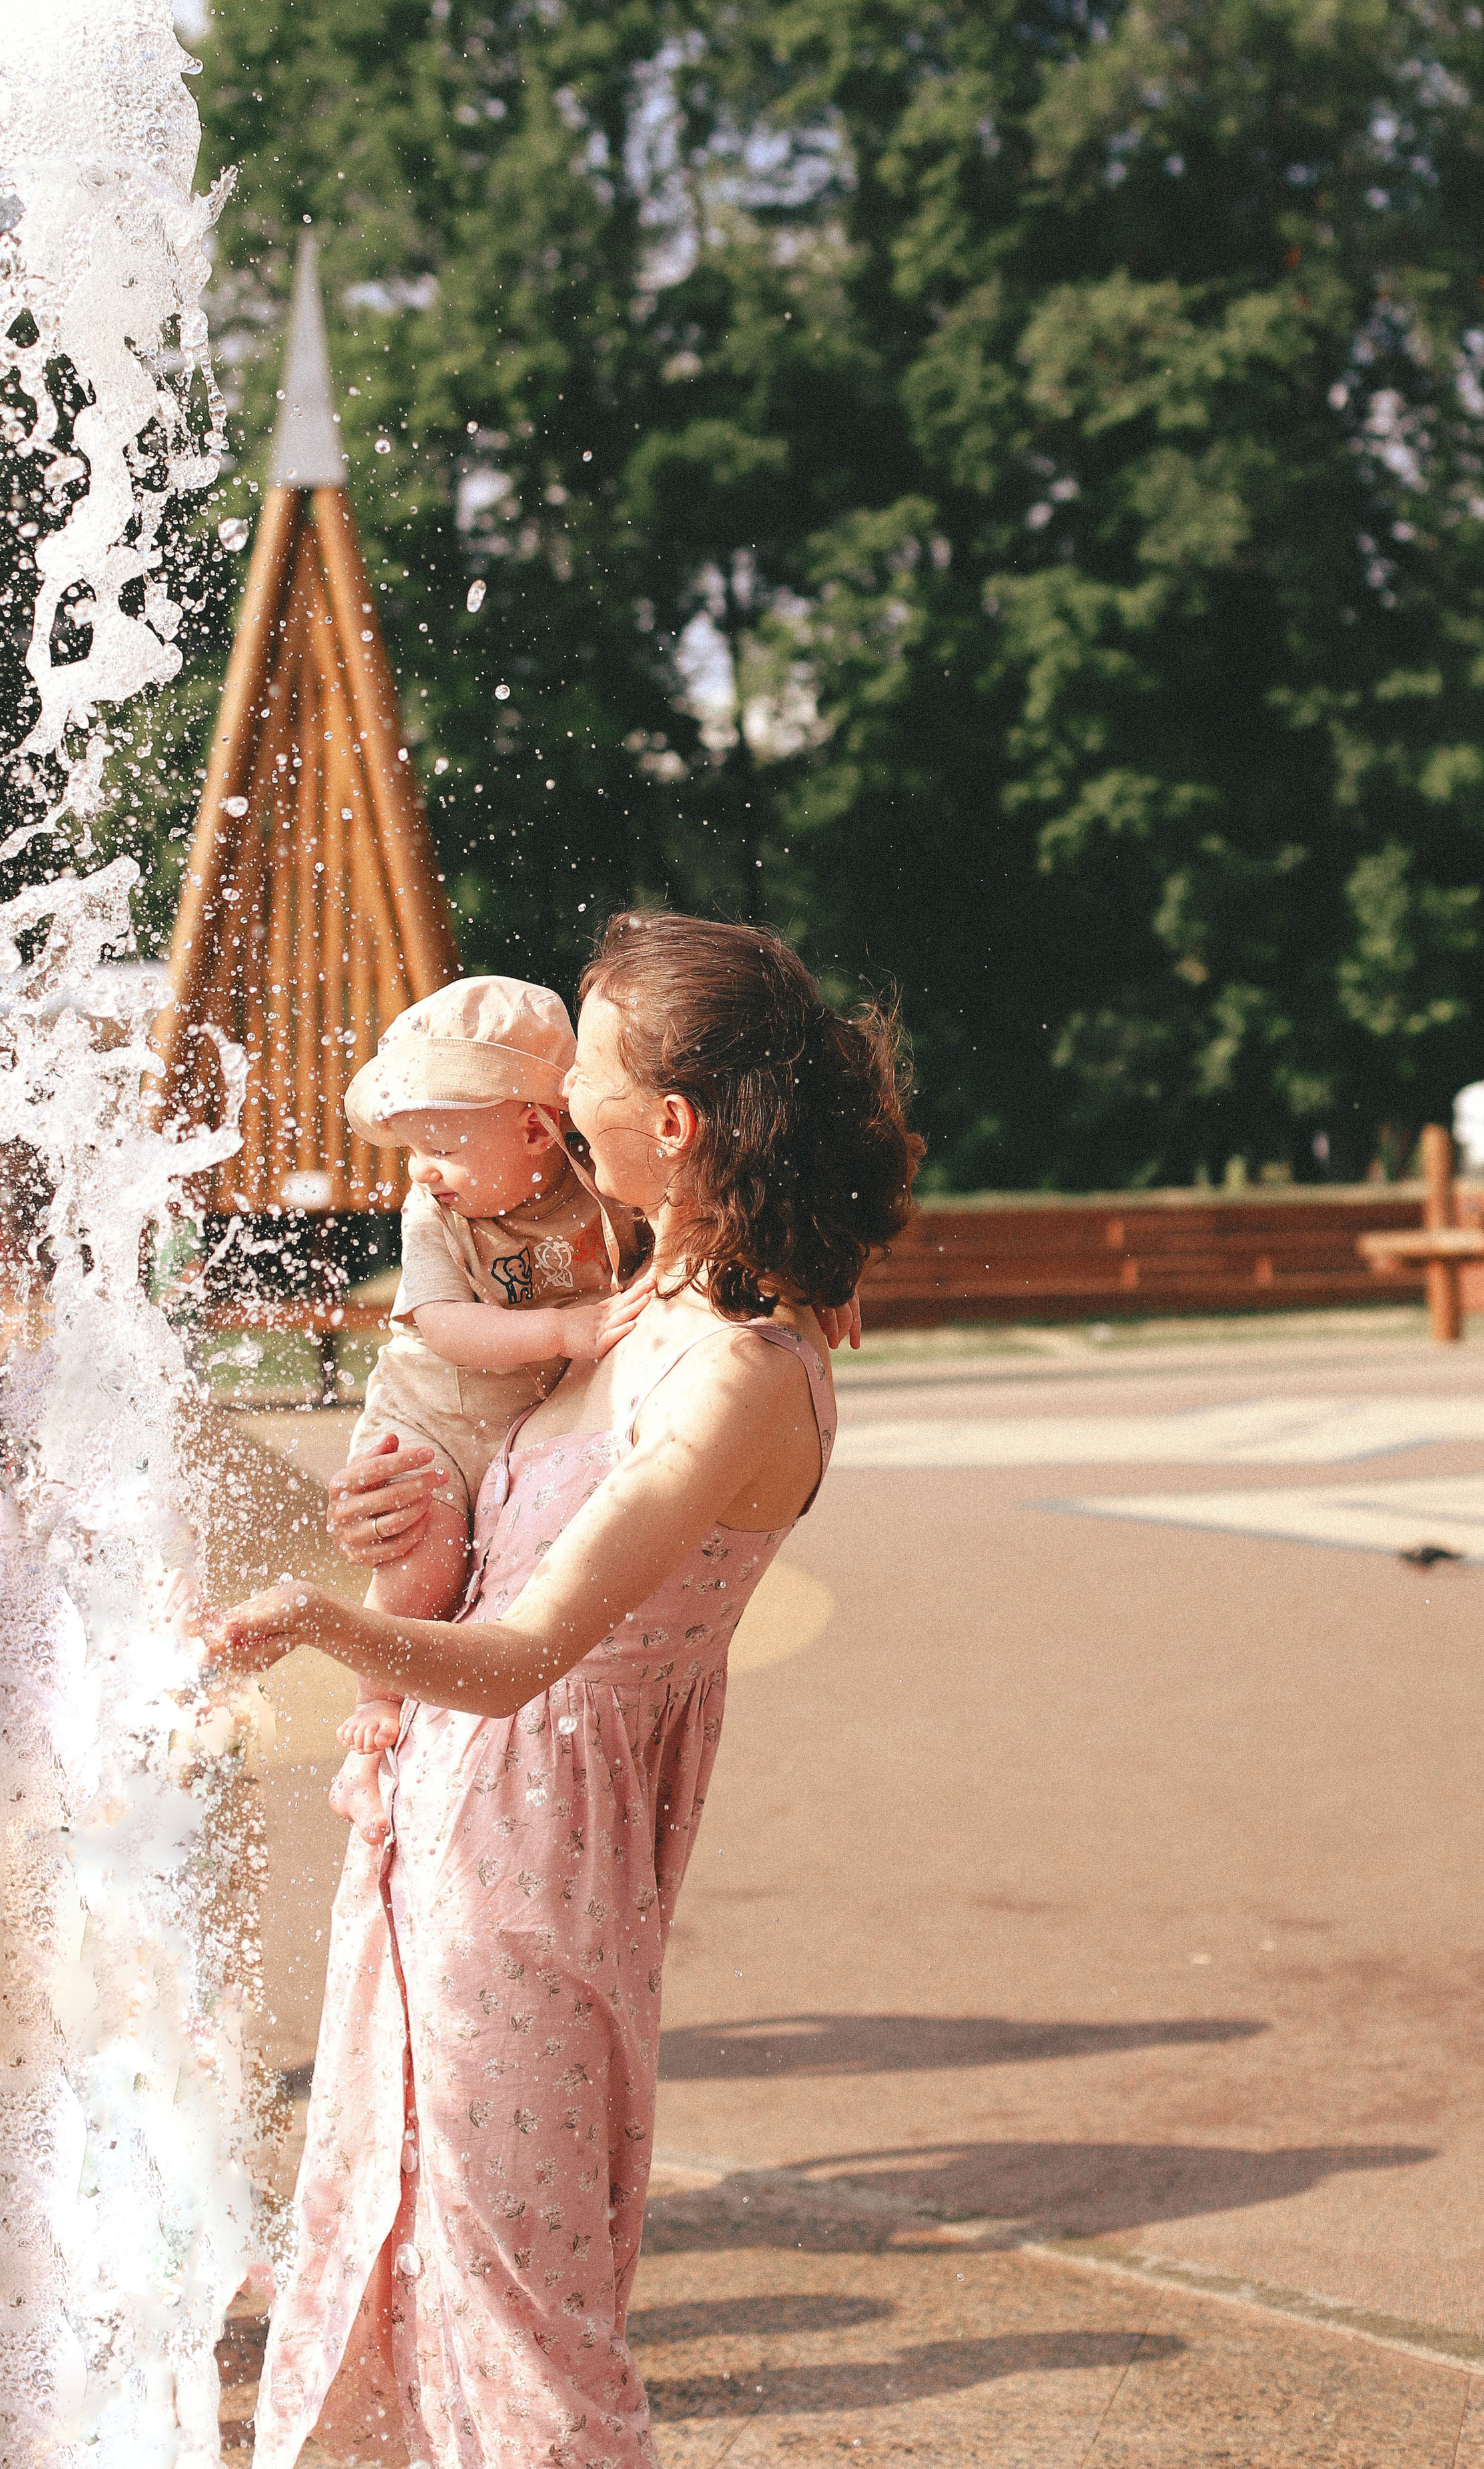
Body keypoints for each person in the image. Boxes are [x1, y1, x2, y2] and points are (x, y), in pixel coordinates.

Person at [205, 911, 921, 2469]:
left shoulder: (734, 1365)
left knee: (526, 2312)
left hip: (535, 1859)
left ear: (664, 1124)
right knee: (416, 2255)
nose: (554, 1087)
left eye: (581, 1063)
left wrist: (318, 1622)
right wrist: (410, 1536)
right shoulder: (634, 1313)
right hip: (448, 1832)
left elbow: (533, 1659)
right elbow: (492, 1575)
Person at [328, 974, 654, 1846]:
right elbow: (443, 1325)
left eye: (441, 1143)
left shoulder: (600, 1185)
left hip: (525, 1434)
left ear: (536, 1126)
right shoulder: (435, 1214)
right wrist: (564, 1329)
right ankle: (372, 1711)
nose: (424, 1170)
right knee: (421, 1552)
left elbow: (688, 1231)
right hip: (429, 1419)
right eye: (409, 1149)